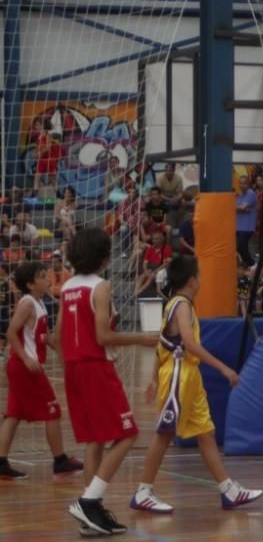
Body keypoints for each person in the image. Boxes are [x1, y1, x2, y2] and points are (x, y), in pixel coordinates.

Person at [131, 255, 262, 513]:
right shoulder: (181, 305)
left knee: (206, 433)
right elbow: (189, 344)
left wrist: (154, 377)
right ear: (192, 281)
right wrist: (224, 368)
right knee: (165, 432)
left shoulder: (178, 304)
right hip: (180, 372)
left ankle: (228, 490)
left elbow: (161, 343)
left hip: (189, 375)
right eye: (199, 276)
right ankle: (143, 491)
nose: (201, 280)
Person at [58, 228, 159, 536]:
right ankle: (89, 500)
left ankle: (92, 514)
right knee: (128, 435)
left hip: (73, 369)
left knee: (95, 439)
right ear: (103, 257)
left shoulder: (67, 287)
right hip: (95, 367)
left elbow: (58, 335)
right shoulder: (100, 287)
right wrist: (143, 338)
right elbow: (103, 336)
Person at [0, 261, 83, 480]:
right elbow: (10, 332)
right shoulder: (27, 302)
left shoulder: (40, 303)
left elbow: (46, 338)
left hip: (20, 366)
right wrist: (26, 357)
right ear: (29, 284)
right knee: (53, 411)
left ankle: (1, 462)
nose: (48, 278)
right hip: (25, 366)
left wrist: (67, 360)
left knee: (13, 414)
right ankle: (60, 461)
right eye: (41, 276)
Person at [136, 230, 172, 298]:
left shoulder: (166, 248)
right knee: (141, 276)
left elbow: (165, 264)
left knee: (151, 276)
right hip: (150, 268)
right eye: (153, 239)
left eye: (155, 239)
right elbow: (145, 263)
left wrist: (155, 271)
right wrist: (146, 271)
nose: (153, 241)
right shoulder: (150, 249)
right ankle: (135, 293)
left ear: (161, 240)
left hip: (160, 270)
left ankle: (139, 292)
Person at [235, 176, 257, 267]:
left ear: (248, 184)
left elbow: (243, 208)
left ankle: (252, 264)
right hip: (238, 226)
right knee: (239, 247)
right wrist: (239, 208)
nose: (242, 185)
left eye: (244, 183)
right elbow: (240, 208)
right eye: (240, 183)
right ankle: (248, 265)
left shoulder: (250, 193)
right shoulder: (239, 195)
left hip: (247, 227)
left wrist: (234, 207)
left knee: (241, 246)